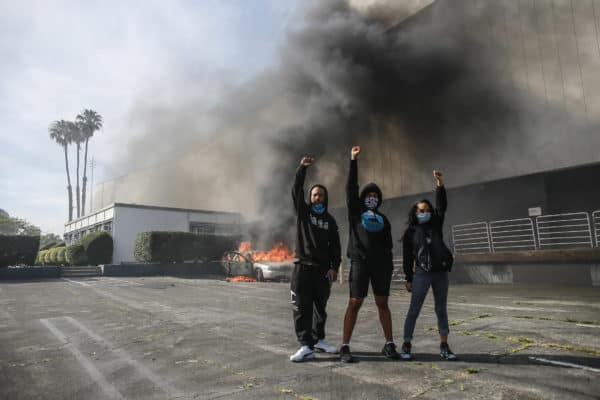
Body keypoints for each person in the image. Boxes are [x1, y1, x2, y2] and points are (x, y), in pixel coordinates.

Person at [339, 146, 399, 363]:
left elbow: (389, 246)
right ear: (363, 198)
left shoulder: (384, 220)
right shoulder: (356, 212)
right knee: (354, 303)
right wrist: (353, 160)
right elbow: (350, 188)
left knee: (383, 303)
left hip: (381, 266)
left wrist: (389, 267)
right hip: (360, 264)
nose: (372, 198)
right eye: (369, 195)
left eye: (375, 196)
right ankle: (345, 346)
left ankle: (389, 344)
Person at [400, 169, 457, 361]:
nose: (425, 213)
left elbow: (442, 207)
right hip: (421, 274)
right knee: (414, 309)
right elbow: (407, 257)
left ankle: (444, 345)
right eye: (421, 210)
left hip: (440, 273)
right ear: (415, 213)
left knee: (441, 309)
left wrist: (440, 184)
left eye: (427, 210)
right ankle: (407, 344)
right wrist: (408, 277)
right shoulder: (411, 232)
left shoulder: (436, 224)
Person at [290, 156, 342, 362]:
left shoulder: (330, 221)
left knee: (320, 308)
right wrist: (302, 169)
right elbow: (296, 191)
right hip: (302, 268)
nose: (317, 197)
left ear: (325, 198)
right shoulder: (304, 214)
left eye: (320, 195)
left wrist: (334, 268)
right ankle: (305, 345)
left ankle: (319, 340)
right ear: (310, 198)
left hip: (323, 271)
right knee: (302, 308)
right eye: (314, 195)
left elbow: (336, 247)